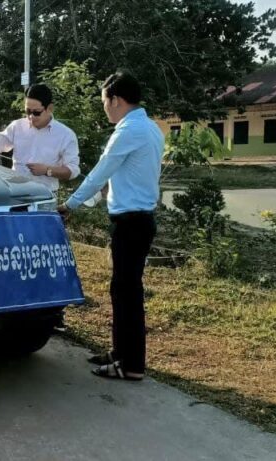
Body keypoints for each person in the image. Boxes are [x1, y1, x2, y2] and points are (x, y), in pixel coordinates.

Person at [59, 71, 164, 381]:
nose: (104, 108)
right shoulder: (151, 128)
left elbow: (99, 173)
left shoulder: (128, 131)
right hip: (138, 220)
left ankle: (131, 365)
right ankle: (120, 352)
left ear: (116, 100)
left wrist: (70, 204)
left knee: (127, 292)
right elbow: (119, 176)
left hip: (131, 222)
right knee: (123, 290)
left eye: (104, 101)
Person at [0, 83, 80, 198]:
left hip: (45, 196)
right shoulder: (17, 126)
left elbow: (73, 171)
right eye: (28, 111)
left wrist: (47, 170)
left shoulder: (65, 135)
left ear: (50, 108)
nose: (31, 116)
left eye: (36, 112)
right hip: (16, 192)